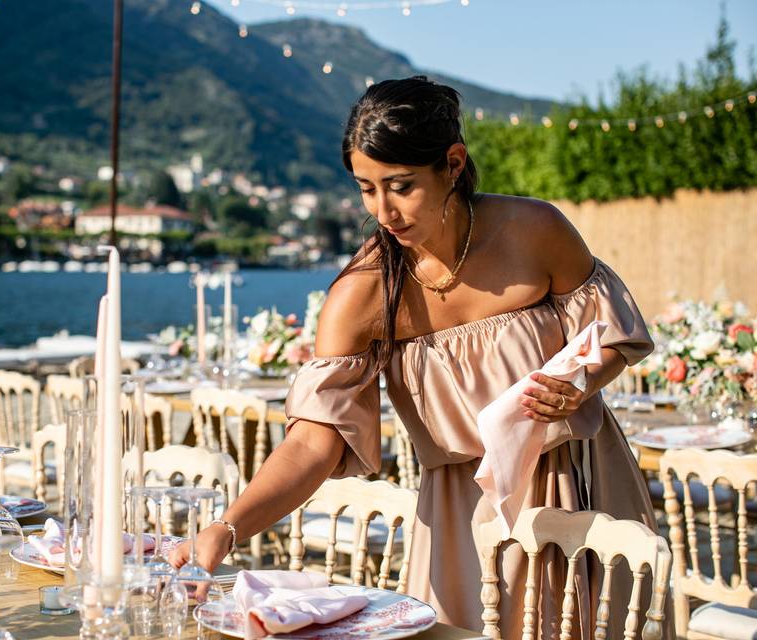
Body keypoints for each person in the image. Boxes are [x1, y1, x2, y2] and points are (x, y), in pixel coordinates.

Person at [170, 76, 670, 638]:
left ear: (453, 163)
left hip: (582, 479)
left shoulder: (536, 231)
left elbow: (610, 338)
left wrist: (583, 383)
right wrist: (227, 528)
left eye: (400, 185)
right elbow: (311, 442)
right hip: (464, 513)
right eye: (366, 188)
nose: (383, 210)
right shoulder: (360, 297)